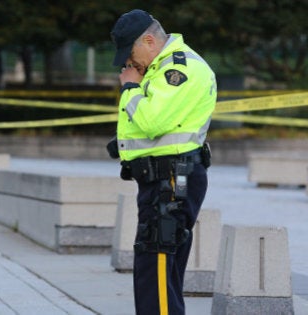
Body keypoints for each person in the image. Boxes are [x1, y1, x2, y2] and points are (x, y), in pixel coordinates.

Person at [107, 9, 216, 315]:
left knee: (156, 265)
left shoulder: (178, 68)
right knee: (156, 267)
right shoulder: (160, 67)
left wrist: (130, 88)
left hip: (171, 179)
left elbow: (152, 120)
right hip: (165, 179)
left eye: (131, 54)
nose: (130, 64)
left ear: (150, 41)